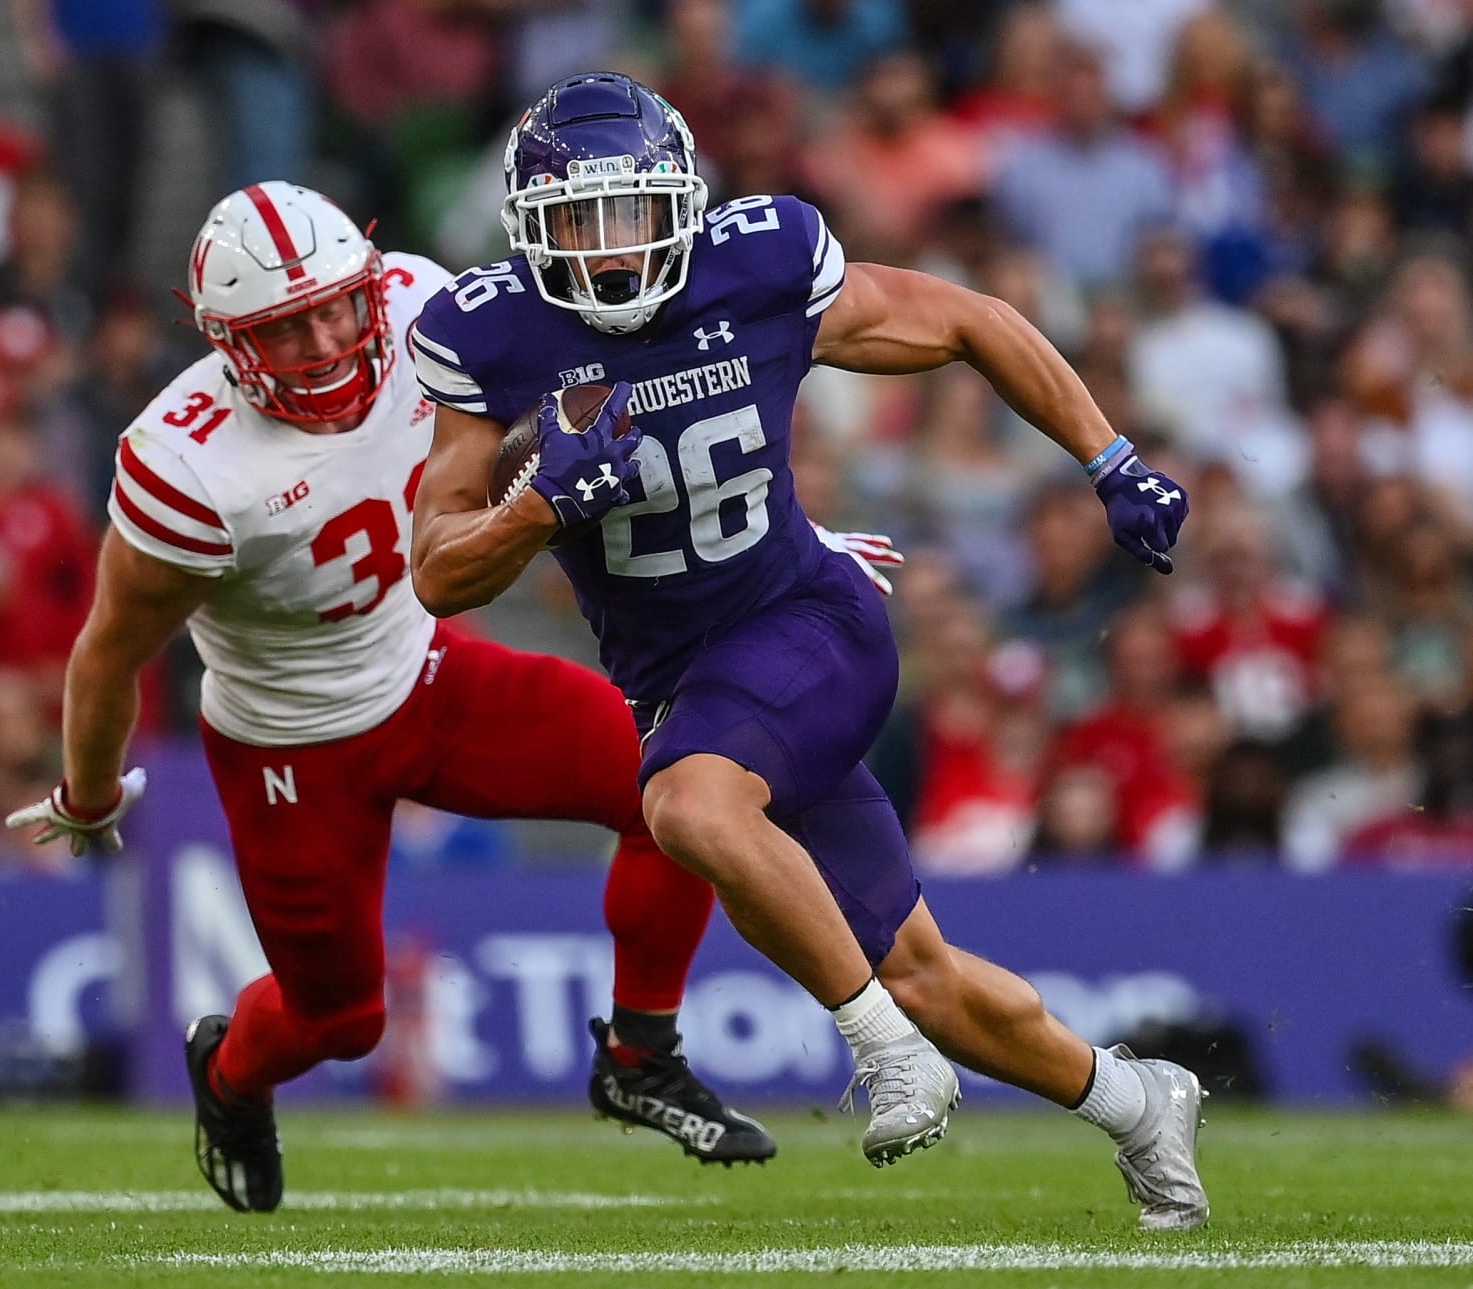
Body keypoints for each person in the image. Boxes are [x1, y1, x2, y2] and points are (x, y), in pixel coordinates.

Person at [408, 72, 1208, 1230]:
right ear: (532, 229)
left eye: (634, 212)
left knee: (687, 804)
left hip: (809, 624)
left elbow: (971, 320)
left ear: (682, 203)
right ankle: (1138, 1100)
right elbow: (436, 568)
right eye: (582, 221)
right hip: (689, 681)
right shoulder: (493, 334)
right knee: (923, 969)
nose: (614, 250)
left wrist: (1109, 455)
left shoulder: (761, 262)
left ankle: (882, 1054)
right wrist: (535, 509)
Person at [4, 181, 902, 1211]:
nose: (327, 338)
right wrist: (85, 790)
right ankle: (229, 1072)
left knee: (678, 780)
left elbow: (583, 414)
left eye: (337, 305)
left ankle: (639, 1050)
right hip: (294, 746)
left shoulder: (423, 306)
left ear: (369, 280)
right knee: (341, 1020)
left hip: (431, 672)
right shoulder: (187, 465)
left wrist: (767, 541)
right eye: (286, 326)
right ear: (225, 342)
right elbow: (111, 650)